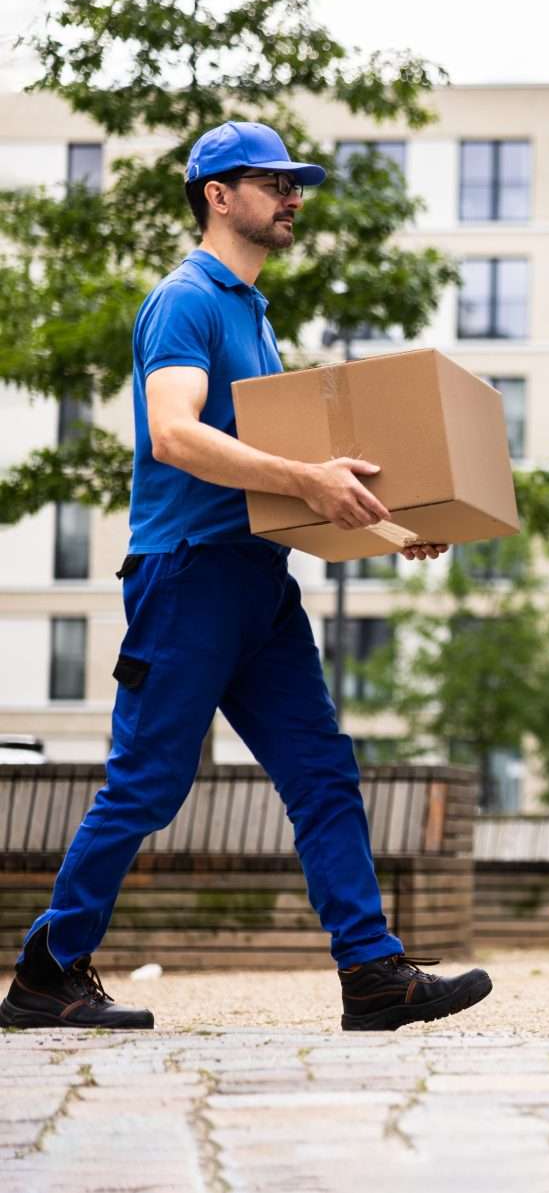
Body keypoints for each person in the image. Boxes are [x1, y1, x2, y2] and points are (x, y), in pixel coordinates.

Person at [1, 122, 492, 1033]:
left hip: (259, 582)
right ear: (217, 196)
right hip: (187, 580)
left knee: (323, 775)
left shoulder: (254, 315)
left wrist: (393, 529)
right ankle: (46, 969)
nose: (291, 195)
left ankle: (372, 973)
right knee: (148, 786)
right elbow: (175, 435)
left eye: (294, 182)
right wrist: (310, 479)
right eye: (270, 182)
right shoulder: (186, 300)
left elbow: (286, 475)